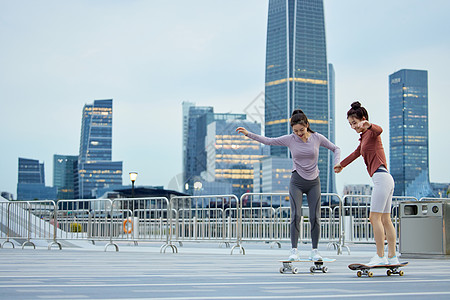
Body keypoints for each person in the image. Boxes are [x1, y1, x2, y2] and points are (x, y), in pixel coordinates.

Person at [236, 109, 340, 261]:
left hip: (314, 182)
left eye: (301, 130)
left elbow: (336, 148)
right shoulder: (290, 139)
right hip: (296, 181)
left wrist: (337, 163)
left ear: (307, 125)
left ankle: (315, 251)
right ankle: (294, 250)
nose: (299, 133)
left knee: (314, 217)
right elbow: (268, 141)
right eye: (295, 130)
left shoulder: (317, 138)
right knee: (296, 215)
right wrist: (248, 134)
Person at [334, 101, 399, 266]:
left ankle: (380, 255)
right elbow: (357, 153)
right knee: (385, 219)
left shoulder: (371, 133)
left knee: (374, 217)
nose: (352, 126)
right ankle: (392, 257)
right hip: (385, 178)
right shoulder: (364, 138)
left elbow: (379, 129)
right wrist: (342, 165)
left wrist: (369, 125)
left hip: (381, 178)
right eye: (350, 124)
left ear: (363, 119)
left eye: (354, 123)